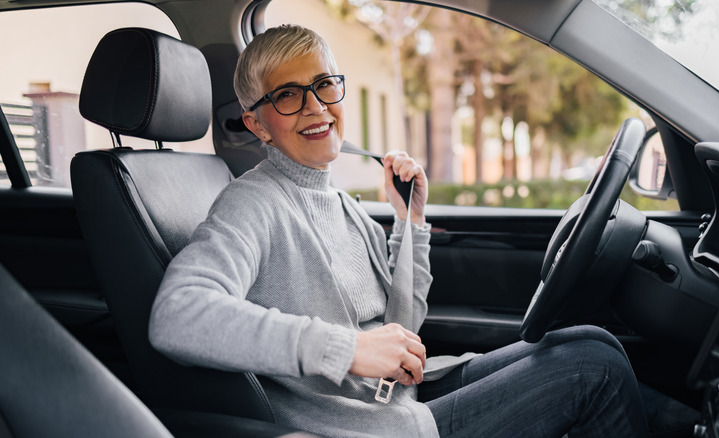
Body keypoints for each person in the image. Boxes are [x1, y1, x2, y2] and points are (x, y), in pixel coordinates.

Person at [149, 24, 649, 437]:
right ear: (257, 125)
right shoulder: (252, 204)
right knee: (592, 370)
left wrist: (410, 222)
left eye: (324, 84)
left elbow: (403, 328)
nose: (317, 107)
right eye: (287, 96)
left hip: (402, 398)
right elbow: (177, 315)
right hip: (368, 428)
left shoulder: (341, 203)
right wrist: (347, 349)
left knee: (590, 340)